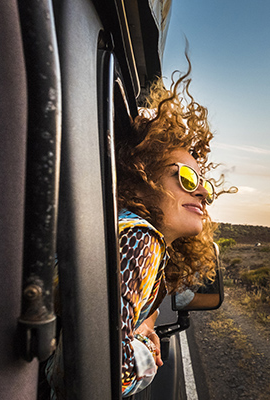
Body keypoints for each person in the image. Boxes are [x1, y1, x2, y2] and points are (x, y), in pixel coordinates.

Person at [46, 69, 219, 398]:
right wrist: (145, 352)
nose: (202, 194)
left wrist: (146, 322)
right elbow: (107, 366)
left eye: (204, 184)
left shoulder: (126, 235)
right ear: (142, 179)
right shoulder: (142, 240)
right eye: (185, 177)